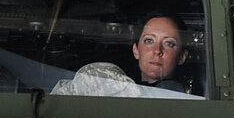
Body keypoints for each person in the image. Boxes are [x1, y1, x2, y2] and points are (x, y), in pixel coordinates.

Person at [55, 13, 195, 98]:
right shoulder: (119, 88)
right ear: (136, 50)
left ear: (182, 56)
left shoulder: (175, 98)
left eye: (169, 43)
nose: (157, 50)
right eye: (149, 41)